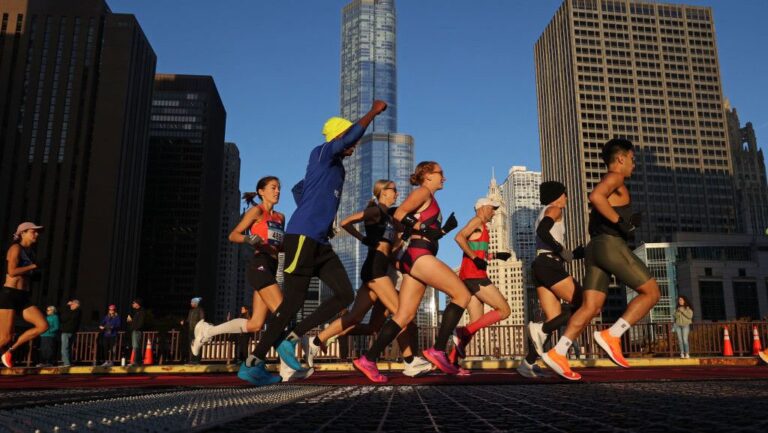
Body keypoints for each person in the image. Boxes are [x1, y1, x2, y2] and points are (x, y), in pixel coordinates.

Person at [239, 100, 388, 386]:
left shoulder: (338, 169)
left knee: (346, 294)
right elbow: (350, 137)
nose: (352, 147)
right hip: (302, 237)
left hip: (320, 241)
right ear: (337, 138)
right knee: (292, 303)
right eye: (347, 141)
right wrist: (372, 112)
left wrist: (319, 216)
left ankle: (291, 338)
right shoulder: (321, 153)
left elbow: (299, 188)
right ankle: (253, 363)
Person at [543, 138, 660, 380]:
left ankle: (559, 351)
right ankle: (613, 334)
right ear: (620, 159)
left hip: (594, 248)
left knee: (591, 306)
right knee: (652, 293)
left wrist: (625, 221)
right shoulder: (615, 177)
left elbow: (600, 206)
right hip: (609, 245)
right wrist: (622, 224)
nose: (633, 165)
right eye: (632, 159)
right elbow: (596, 196)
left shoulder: (615, 183)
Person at [301, 179, 432, 378]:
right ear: (382, 192)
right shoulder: (375, 211)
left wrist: (402, 236)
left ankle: (316, 341)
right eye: (393, 190)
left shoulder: (388, 216)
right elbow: (346, 222)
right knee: (402, 314)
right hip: (375, 269)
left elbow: (392, 246)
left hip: (376, 267)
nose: (397, 193)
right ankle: (410, 362)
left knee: (355, 316)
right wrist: (364, 239)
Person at [353, 161, 465, 383]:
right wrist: (422, 228)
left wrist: (442, 230)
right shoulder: (423, 192)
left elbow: (421, 227)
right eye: (440, 173)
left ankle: (368, 358)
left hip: (418, 255)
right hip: (419, 255)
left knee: (404, 315)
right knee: (462, 295)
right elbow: (400, 215)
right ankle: (439, 350)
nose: (444, 177)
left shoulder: (430, 198)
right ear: (427, 175)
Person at [192, 176, 310, 382]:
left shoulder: (280, 217)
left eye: (279, 188)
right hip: (259, 265)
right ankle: (284, 368)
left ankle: (207, 331)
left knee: (255, 324)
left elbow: (279, 246)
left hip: (272, 267)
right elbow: (234, 235)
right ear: (261, 191)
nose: (278, 191)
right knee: (283, 310)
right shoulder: (257, 212)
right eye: (273, 188)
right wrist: (248, 238)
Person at [518, 181, 583, 378]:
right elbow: (543, 233)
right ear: (557, 195)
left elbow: (546, 239)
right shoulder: (554, 209)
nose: (567, 198)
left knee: (555, 319)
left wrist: (572, 254)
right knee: (584, 303)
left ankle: (528, 363)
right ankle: (540, 328)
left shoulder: (543, 211)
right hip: (549, 264)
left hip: (540, 264)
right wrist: (562, 251)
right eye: (565, 194)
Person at [449, 197, 513, 373]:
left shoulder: (482, 228)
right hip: (474, 277)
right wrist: (475, 258)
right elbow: (459, 237)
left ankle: (452, 361)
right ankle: (462, 332)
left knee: (477, 322)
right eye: (492, 209)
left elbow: (476, 250)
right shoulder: (477, 221)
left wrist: (495, 256)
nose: (493, 212)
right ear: (483, 208)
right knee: (505, 310)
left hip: (469, 277)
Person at [0, 222, 48, 368]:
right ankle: (7, 348)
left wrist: (35, 274)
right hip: (10, 295)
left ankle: (9, 351)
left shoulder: (31, 252)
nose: (37, 234)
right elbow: (12, 271)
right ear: (23, 233)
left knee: (43, 325)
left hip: (24, 296)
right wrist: (34, 266)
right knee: (5, 337)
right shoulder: (15, 248)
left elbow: (27, 272)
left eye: (37, 232)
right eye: (33, 232)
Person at [181, 297, 204, 364]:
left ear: (196, 303)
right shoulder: (191, 311)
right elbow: (188, 320)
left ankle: (196, 360)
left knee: (197, 345)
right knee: (191, 345)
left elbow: (202, 320)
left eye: (192, 302)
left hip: (197, 331)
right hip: (191, 331)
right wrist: (184, 322)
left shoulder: (200, 310)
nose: (191, 303)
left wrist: (200, 329)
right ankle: (191, 360)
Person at [59, 299, 82, 367]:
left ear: (76, 305)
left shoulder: (75, 312)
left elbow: (63, 318)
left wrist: (67, 306)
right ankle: (68, 362)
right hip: (72, 331)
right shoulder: (79, 312)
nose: (71, 306)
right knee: (68, 348)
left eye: (72, 304)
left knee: (64, 348)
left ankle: (66, 363)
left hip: (67, 331)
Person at [126, 298, 145, 366]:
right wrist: (130, 321)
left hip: (137, 331)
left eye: (134, 303)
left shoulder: (141, 311)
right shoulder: (136, 312)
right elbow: (135, 323)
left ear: (137, 304)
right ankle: (138, 361)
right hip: (135, 330)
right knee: (136, 346)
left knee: (136, 346)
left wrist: (135, 328)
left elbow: (140, 323)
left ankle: (136, 361)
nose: (132, 304)